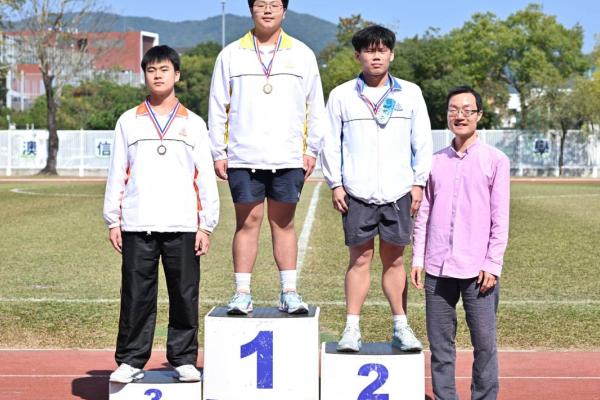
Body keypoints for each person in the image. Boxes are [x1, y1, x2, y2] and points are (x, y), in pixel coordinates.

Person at [103, 45, 219, 383]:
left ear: (176, 75)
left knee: (184, 294)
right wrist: (113, 219)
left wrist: (206, 225)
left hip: (182, 223)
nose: (157, 75)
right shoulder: (128, 121)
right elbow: (117, 171)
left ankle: (183, 359)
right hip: (138, 222)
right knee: (136, 296)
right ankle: (131, 360)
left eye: (164, 69)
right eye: (151, 70)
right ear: (144, 75)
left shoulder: (194, 124)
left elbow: (204, 177)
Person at [208, 0, 324, 315]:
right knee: (247, 222)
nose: (268, 10)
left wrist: (310, 149)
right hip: (243, 155)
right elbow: (218, 105)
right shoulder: (231, 54)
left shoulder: (302, 54)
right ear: (251, 10)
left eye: (275, 4)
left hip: (287, 156)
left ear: (285, 11)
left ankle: (289, 292)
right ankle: (242, 293)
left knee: (283, 223)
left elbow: (315, 105)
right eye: (261, 4)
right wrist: (219, 151)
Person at [321, 25, 432, 352]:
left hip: (399, 192)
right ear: (358, 55)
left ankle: (401, 326)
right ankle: (351, 328)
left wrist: (418, 181)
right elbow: (330, 142)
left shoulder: (410, 93)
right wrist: (336, 183)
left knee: (395, 261)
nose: (376, 56)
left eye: (382, 50)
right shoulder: (342, 95)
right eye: (369, 51)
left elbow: (422, 140)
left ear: (391, 54)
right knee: (359, 260)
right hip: (357, 192)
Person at [411, 86, 510, 400]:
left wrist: (492, 264)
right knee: (440, 345)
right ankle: (445, 396)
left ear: (479, 115)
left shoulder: (496, 160)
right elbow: (423, 213)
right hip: (437, 268)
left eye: (468, 110)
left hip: (478, 270)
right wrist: (418, 258)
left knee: (485, 344)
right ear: (447, 115)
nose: (460, 116)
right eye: (454, 110)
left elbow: (500, 218)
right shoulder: (434, 161)